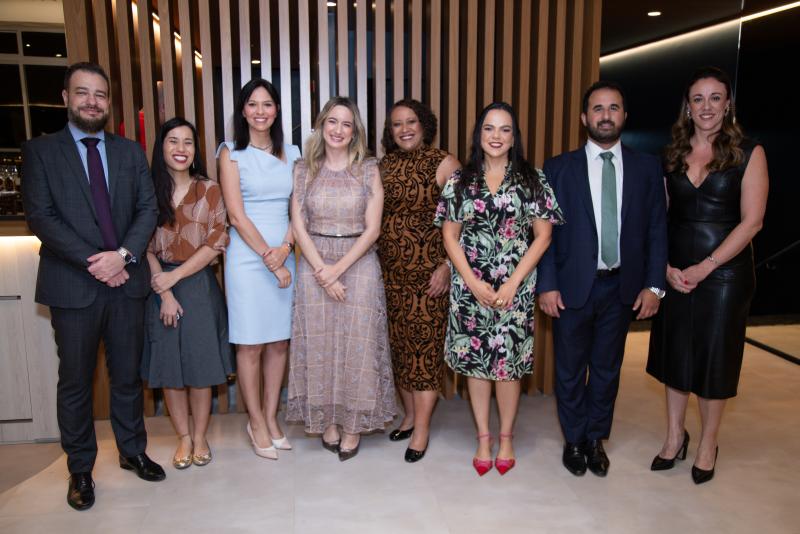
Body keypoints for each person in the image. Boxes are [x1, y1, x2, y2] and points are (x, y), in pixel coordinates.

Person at [21, 62, 164, 511]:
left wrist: (122, 256)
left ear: (108, 103)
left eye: (100, 94)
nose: (92, 101)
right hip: (72, 285)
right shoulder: (41, 152)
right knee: (76, 381)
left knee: (127, 376)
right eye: (82, 93)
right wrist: (97, 262)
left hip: (126, 282)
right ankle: (80, 468)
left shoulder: (129, 152)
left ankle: (132, 450)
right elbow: (41, 217)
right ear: (66, 98)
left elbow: (147, 209)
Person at [538, 81, 668, 478]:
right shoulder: (558, 168)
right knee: (569, 370)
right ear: (584, 117)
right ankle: (574, 440)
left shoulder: (647, 167)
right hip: (571, 287)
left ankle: (595, 439)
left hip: (622, 287)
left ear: (624, 115)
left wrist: (654, 286)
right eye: (598, 108)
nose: (605, 115)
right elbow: (544, 234)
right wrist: (547, 284)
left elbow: (657, 230)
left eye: (613, 108)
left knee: (607, 369)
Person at [646, 67, 768, 484]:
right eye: (698, 99)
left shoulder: (749, 153)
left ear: (728, 103)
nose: (706, 107)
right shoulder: (671, 154)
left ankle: (707, 444)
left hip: (725, 276)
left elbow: (752, 222)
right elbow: (660, 218)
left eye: (715, 98)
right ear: (688, 106)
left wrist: (707, 266)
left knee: (715, 360)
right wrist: (664, 266)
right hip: (676, 272)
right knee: (675, 355)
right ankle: (673, 437)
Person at [434, 102, 563, 476]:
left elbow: (543, 236)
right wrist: (473, 283)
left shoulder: (532, 179)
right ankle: (483, 437)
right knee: (476, 363)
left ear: (514, 136)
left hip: (515, 287)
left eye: (505, 129)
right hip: (469, 286)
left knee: (507, 366)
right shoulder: (460, 180)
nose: (496, 136)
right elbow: (450, 236)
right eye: (489, 128)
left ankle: (506, 437)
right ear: (479, 134)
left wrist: (512, 283)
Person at [287, 97, 396, 461]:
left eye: (346, 124)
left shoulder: (368, 169)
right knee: (319, 343)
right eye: (332, 122)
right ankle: (327, 419)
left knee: (357, 345)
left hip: (359, 263)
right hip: (314, 261)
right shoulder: (303, 169)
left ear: (355, 132)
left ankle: (353, 424)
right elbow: (298, 224)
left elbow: (373, 228)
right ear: (321, 126)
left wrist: (337, 270)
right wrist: (323, 270)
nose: (338, 130)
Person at [141, 117, 232, 469]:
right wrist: (164, 291)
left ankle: (200, 436)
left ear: (195, 150)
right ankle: (182, 437)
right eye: (173, 141)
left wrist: (175, 277)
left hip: (198, 285)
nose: (181, 149)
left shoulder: (210, 189)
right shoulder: (147, 191)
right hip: (158, 285)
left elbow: (215, 242)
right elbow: (143, 245)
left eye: (188, 142)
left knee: (200, 365)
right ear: (161, 147)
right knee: (170, 368)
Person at [218, 79, 301, 460]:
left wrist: (284, 249)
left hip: (285, 250)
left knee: (279, 342)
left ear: (277, 110)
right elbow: (235, 215)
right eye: (252, 104)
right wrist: (270, 257)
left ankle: (270, 416)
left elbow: (299, 209)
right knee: (250, 343)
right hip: (247, 257)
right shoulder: (230, 153)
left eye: (267, 104)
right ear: (243, 110)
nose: (260, 111)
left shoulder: (293, 154)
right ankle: (254, 420)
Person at [377, 99, 460, 462]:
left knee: (424, 352)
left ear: (424, 124)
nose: (405, 129)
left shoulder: (445, 163)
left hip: (430, 278)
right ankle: (409, 416)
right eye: (397, 124)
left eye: (411, 121)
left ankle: (422, 430)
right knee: (400, 349)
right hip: (389, 275)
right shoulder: (384, 165)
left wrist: (448, 266)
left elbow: (464, 221)